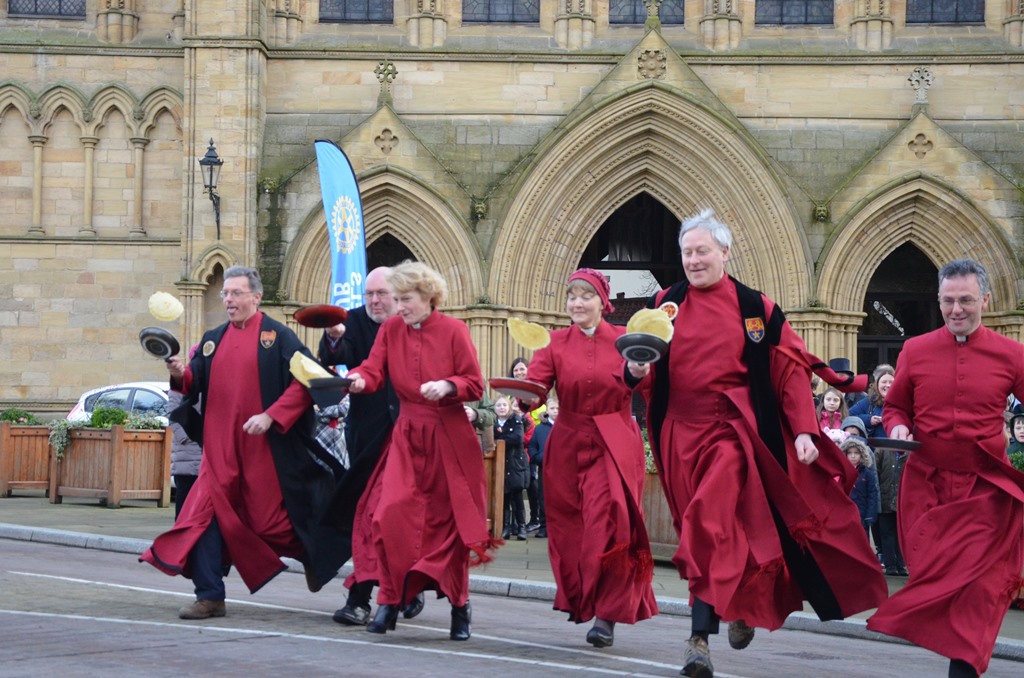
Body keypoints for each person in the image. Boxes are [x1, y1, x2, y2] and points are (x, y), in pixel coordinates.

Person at [641, 209, 887, 677]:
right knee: (714, 531)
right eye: (687, 253)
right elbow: (645, 364)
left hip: (730, 434)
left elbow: (791, 370)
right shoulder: (664, 303)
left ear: (725, 253)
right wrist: (633, 368)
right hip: (676, 434)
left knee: (705, 521)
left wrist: (802, 431)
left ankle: (698, 638)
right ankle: (735, 604)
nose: (693, 260)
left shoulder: (757, 308)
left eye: (702, 251)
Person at [141, 266, 347, 619]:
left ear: (256, 297)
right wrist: (179, 373)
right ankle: (210, 596)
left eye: (236, 293)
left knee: (270, 524)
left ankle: (313, 555)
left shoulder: (279, 337)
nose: (229, 300)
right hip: (218, 454)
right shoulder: (212, 339)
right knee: (200, 519)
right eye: (225, 294)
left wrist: (271, 415)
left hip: (263, 454)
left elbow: (310, 382)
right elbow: (194, 383)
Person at [867, 258, 1024, 678]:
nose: (957, 310)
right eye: (949, 301)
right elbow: (896, 406)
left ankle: (963, 670)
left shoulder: (1013, 354)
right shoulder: (915, 350)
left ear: (985, 300)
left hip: (985, 490)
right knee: (938, 582)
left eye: (967, 301)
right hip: (927, 486)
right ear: (938, 300)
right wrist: (897, 427)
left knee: (978, 587)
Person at [345, 261, 499, 641]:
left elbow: (474, 384)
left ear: (428, 296)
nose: (399, 307)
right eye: (396, 299)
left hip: (448, 435)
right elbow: (373, 370)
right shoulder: (391, 329)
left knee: (450, 527)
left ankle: (459, 608)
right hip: (408, 435)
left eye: (406, 299)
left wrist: (448, 386)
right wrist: (357, 379)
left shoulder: (454, 330)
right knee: (388, 516)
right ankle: (389, 600)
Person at [525, 267, 657, 649]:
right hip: (567, 442)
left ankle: (607, 615)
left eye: (585, 296)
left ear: (603, 302)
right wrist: (524, 394)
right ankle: (584, 597)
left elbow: (645, 382)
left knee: (611, 523)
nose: (577, 303)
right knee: (572, 531)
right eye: (572, 297)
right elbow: (535, 388)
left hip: (612, 440)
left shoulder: (624, 339)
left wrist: (637, 371)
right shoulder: (552, 342)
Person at [316, 266, 421, 627]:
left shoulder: (421, 325)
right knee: (369, 516)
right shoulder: (356, 322)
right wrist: (333, 336)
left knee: (396, 517)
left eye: (382, 294)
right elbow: (337, 355)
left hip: (413, 440)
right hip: (368, 437)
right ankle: (365, 597)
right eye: (369, 295)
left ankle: (394, 589)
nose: (374, 301)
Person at [495, 395, 529, 541]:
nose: (501, 408)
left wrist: (500, 440)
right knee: (504, 497)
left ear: (509, 407)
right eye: (498, 405)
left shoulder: (516, 420)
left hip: (515, 463)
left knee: (517, 496)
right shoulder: (493, 422)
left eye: (504, 405)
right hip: (500, 464)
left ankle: (521, 527)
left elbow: (518, 438)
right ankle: (506, 527)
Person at [168, 384, 201, 518]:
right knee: (184, 512)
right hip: (187, 456)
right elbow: (173, 417)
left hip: (207, 457)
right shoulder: (180, 385)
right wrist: (190, 437)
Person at [526, 397, 557, 539]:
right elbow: (532, 446)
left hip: (563, 470)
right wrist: (538, 457)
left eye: (558, 409)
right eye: (552, 408)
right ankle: (544, 526)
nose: (555, 411)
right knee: (543, 497)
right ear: (547, 410)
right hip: (544, 468)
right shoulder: (540, 428)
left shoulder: (566, 427)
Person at [841, 436, 879, 538]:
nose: (853, 456)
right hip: (845, 514)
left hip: (862, 515)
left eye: (856, 453)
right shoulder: (842, 472)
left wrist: (870, 515)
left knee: (862, 541)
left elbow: (872, 495)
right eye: (850, 453)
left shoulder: (867, 474)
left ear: (862, 454)